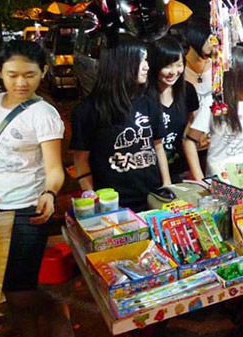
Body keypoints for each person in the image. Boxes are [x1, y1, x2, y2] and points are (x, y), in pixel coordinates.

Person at [0, 41, 75, 337]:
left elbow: (55, 169)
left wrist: (49, 192)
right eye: (13, 74)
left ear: (43, 72)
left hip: (26, 211)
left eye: (29, 75)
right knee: (6, 288)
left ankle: (56, 310)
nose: (21, 82)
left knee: (19, 292)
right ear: (0, 73)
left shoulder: (43, 113)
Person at [71, 35, 171, 212]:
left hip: (153, 198)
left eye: (146, 60)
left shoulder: (148, 102)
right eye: (141, 61)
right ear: (122, 63)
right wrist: (91, 195)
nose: (147, 67)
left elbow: (158, 146)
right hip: (113, 204)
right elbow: (81, 160)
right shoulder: (88, 111)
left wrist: (168, 186)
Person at [186, 46, 243, 179]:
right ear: (233, 73)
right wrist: (200, 178)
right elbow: (190, 141)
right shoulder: (214, 102)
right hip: (220, 177)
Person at [147, 37, 199, 182]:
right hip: (151, 171)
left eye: (179, 65)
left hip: (180, 168)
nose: (174, 72)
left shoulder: (187, 91)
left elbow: (190, 122)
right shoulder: (143, 97)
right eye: (167, 66)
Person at [183, 19, 214, 108]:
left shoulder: (216, 66)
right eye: (210, 39)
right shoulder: (179, 69)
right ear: (197, 36)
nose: (213, 44)